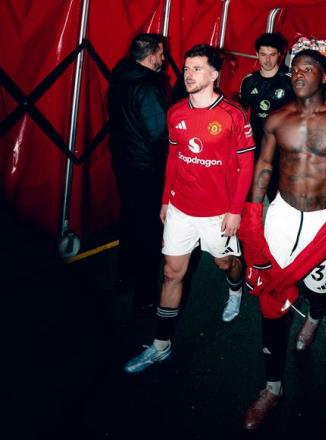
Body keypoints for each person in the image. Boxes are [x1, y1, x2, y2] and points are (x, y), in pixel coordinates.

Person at [239, 49, 326, 429]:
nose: (298, 75)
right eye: (295, 69)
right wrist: (253, 213)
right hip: (281, 215)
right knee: (271, 297)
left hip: (323, 218)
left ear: (324, 76)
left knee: (318, 291)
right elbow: (264, 165)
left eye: (307, 69)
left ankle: (316, 314)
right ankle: (272, 388)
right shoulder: (277, 118)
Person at [124, 44, 255, 373]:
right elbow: (173, 157)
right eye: (186, 68)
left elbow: (246, 165)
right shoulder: (176, 112)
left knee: (226, 264)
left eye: (197, 69)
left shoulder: (233, 114)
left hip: (218, 213)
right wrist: (165, 199)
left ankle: (236, 288)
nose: (188, 74)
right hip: (181, 209)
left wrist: (235, 210)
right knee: (171, 274)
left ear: (214, 74)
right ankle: (160, 346)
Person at [107, 33, 168, 314]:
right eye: (161, 53)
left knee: (130, 221)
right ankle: (145, 295)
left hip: (124, 163)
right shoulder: (147, 86)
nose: (163, 59)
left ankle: (124, 276)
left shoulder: (119, 80)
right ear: (152, 55)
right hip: (145, 169)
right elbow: (158, 132)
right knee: (149, 231)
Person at [239, 32, 294, 202]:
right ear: (257, 54)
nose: (267, 60)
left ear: (279, 55)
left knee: (278, 196)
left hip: (281, 147)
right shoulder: (249, 81)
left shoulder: (289, 81)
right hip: (255, 145)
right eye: (263, 54)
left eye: (272, 55)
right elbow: (241, 114)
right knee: (251, 194)